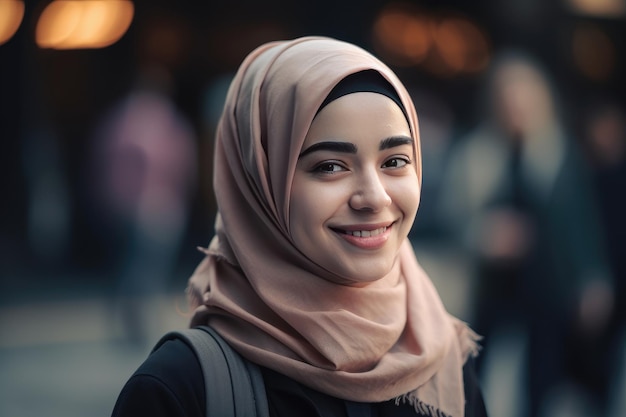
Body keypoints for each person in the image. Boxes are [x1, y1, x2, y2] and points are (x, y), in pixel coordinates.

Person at [111, 36, 486, 417]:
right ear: (259, 181)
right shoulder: (180, 389)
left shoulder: (444, 357)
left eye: (394, 161)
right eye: (329, 166)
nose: (374, 197)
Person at [437, 51, 613, 417]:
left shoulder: (558, 153)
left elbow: (581, 224)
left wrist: (592, 277)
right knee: (478, 377)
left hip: (546, 291)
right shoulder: (476, 153)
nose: (516, 107)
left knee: (542, 382)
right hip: (487, 292)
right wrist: (481, 236)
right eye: (507, 98)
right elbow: (445, 220)